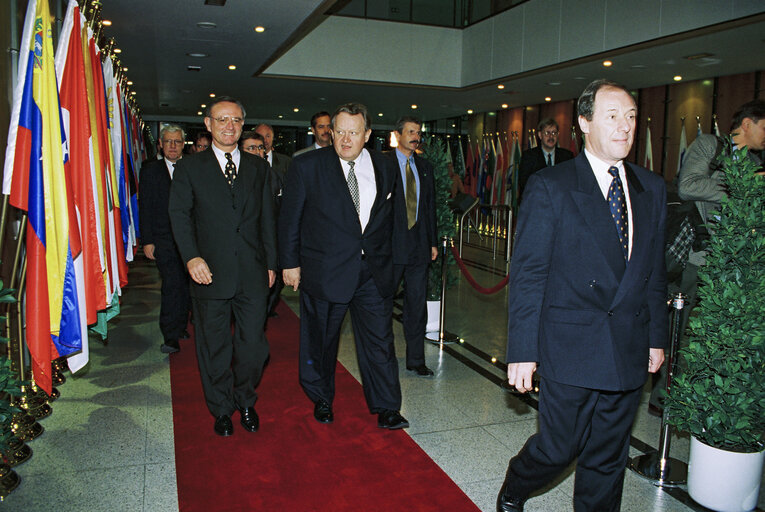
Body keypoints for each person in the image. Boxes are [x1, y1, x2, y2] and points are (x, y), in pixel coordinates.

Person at [496, 79, 668, 512]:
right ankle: (517, 484)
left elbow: (653, 272)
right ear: (584, 122)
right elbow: (530, 273)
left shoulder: (652, 188)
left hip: (628, 342)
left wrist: (657, 337)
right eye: (612, 116)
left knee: (608, 456)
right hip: (570, 344)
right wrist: (522, 350)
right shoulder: (552, 185)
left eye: (631, 117)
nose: (625, 127)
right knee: (559, 449)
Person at [279, 102, 408, 430]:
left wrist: (397, 264)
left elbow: (395, 220)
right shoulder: (307, 167)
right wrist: (289, 264)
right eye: (340, 132)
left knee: (380, 341)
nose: (345, 139)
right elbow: (290, 219)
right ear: (330, 132)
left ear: (366, 134)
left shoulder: (386, 166)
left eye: (353, 132)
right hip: (325, 271)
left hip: (373, 273)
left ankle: (387, 406)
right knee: (320, 339)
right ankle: (321, 398)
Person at [169, 96, 277, 437]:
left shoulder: (259, 167)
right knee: (214, 346)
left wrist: (272, 263)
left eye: (235, 120)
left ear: (242, 125)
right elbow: (179, 216)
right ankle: (220, 407)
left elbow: (267, 220)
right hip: (208, 273)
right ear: (208, 124)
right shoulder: (190, 168)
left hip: (252, 273)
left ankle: (245, 399)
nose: (228, 126)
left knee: (252, 347)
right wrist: (191, 257)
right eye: (221, 120)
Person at [387, 116, 438, 377]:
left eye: (418, 132)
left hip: (419, 246)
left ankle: (416, 359)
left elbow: (430, 207)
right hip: (391, 245)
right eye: (410, 132)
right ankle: (383, 358)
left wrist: (432, 241)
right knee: (383, 303)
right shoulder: (383, 164)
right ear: (398, 135)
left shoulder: (426, 167)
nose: (415, 136)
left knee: (416, 305)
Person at [138, 124, 190, 354]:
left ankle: (180, 325)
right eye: (167, 141)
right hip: (164, 239)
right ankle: (170, 335)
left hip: (190, 240)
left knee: (187, 286)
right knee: (172, 285)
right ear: (160, 144)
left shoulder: (193, 167)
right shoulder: (150, 170)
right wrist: (147, 240)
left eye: (177, 142)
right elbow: (145, 206)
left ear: (183, 145)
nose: (172, 146)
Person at [241, 130, 284, 319]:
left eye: (260, 148)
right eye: (251, 148)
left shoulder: (273, 175)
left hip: (268, 242)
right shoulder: (232, 177)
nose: (258, 152)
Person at [517, 118, 574, 199]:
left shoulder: (567, 156)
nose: (551, 136)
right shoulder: (529, 156)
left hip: (560, 204)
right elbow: (524, 182)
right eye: (547, 133)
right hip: (536, 203)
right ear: (540, 135)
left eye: (554, 133)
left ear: (558, 135)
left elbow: (571, 182)